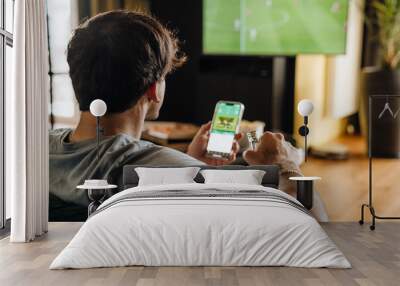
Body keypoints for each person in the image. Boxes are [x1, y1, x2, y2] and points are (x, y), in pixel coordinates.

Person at [49, 10, 327, 221]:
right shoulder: (171, 171)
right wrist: (286, 166)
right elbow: (310, 226)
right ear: (153, 90)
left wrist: (189, 162)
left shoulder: (36, 151)